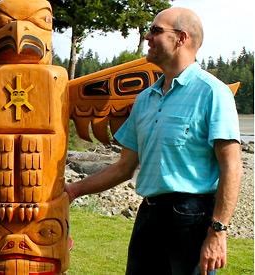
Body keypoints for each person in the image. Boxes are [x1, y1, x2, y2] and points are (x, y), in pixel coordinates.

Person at [65, 7, 241, 275]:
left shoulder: (213, 93)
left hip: (191, 219)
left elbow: (232, 166)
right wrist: (73, 190)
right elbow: (124, 166)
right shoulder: (145, 99)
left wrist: (218, 232)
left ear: (181, 38)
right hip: (149, 214)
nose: (148, 36)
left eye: (156, 30)